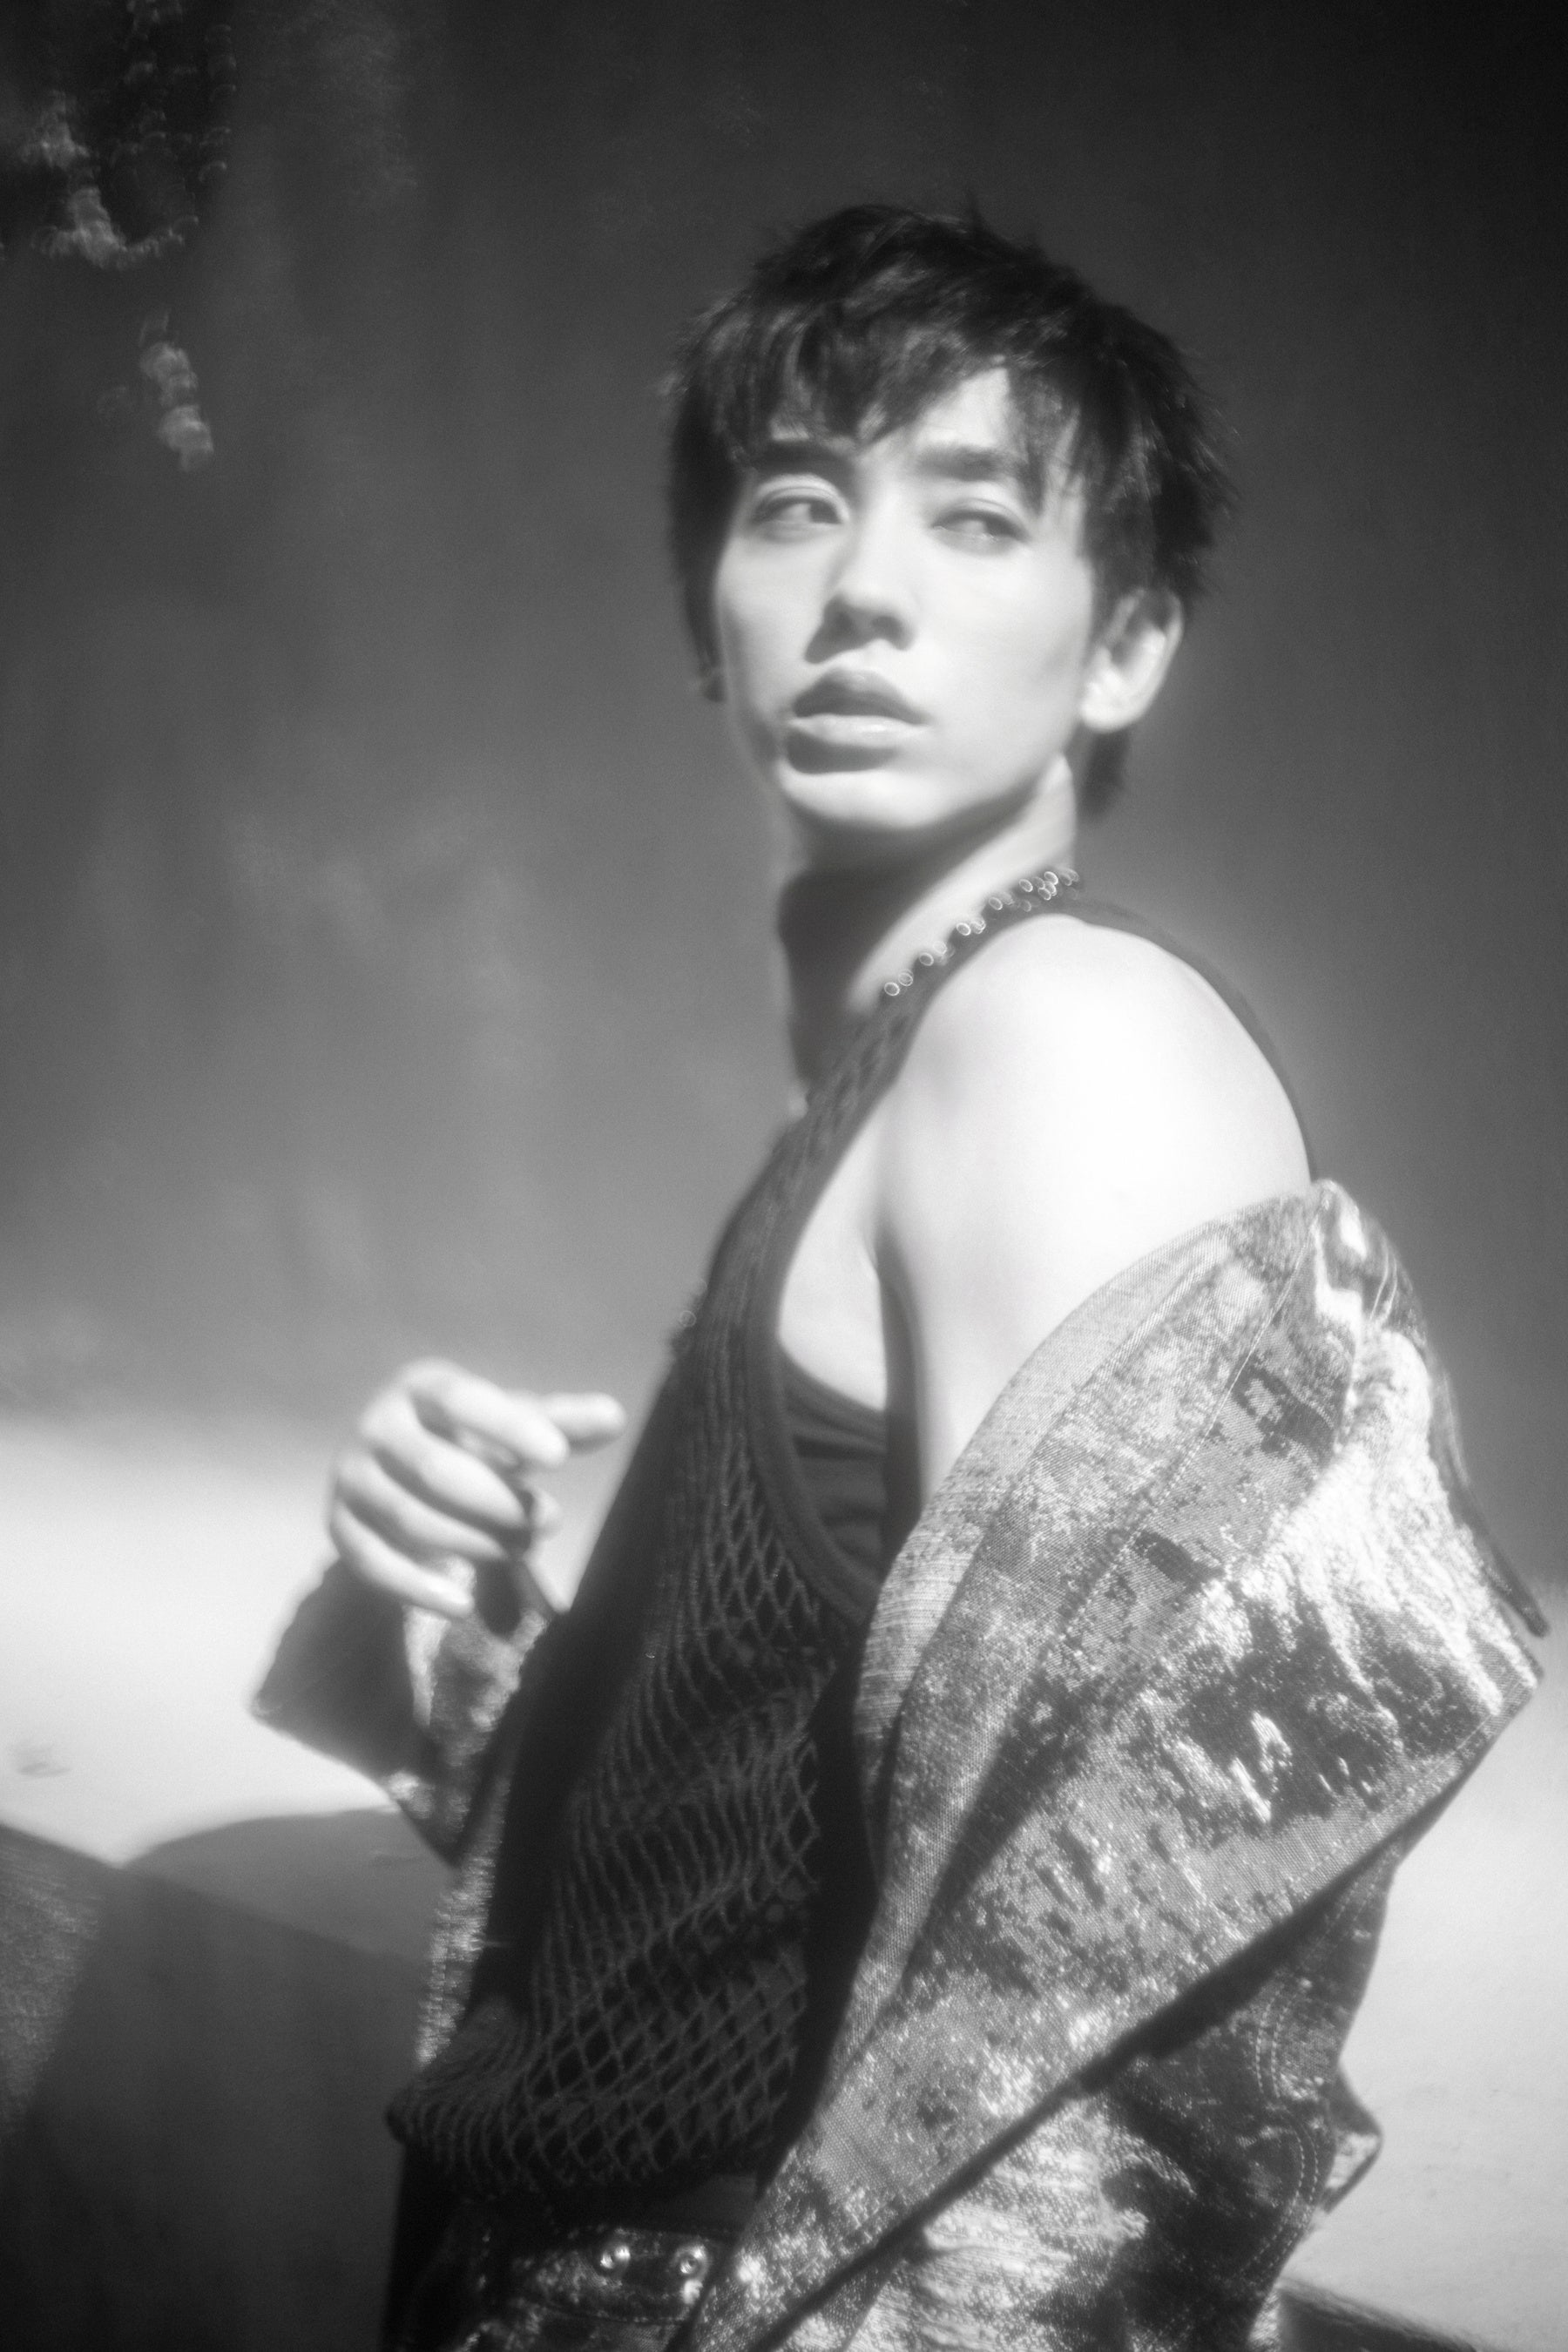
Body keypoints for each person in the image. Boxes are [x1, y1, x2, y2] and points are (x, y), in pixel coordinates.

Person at [258, 206, 1542, 2352]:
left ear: (1125, 645)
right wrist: (467, 1615)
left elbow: (1097, 2017)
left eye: (975, 514)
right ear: (711, 616)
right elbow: (723, 1898)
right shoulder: (899, 1077)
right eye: (794, 505)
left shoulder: (1060, 1043)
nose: (862, 586)